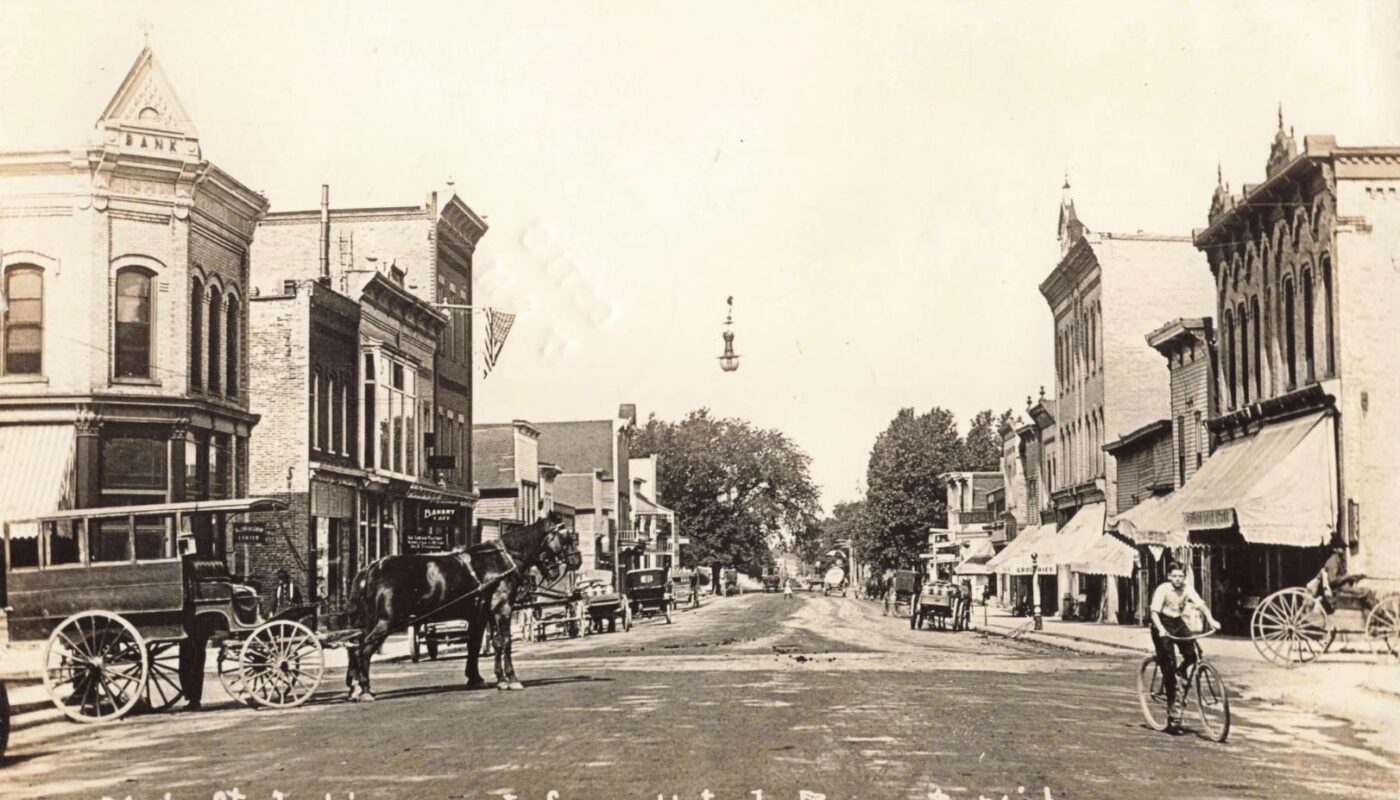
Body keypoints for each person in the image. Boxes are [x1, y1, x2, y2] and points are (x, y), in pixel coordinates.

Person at [1150, 563, 1221, 734]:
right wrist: (1161, 629)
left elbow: (1201, 604)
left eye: (1180, 576)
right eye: (1174, 576)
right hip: (1161, 622)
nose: (1177, 579)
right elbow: (1154, 613)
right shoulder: (1163, 589)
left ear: (1184, 577)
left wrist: (1211, 620)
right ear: (1169, 576)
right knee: (1169, 668)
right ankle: (1173, 719)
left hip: (1177, 622)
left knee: (1193, 654)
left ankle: (1181, 672)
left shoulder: (1187, 589)